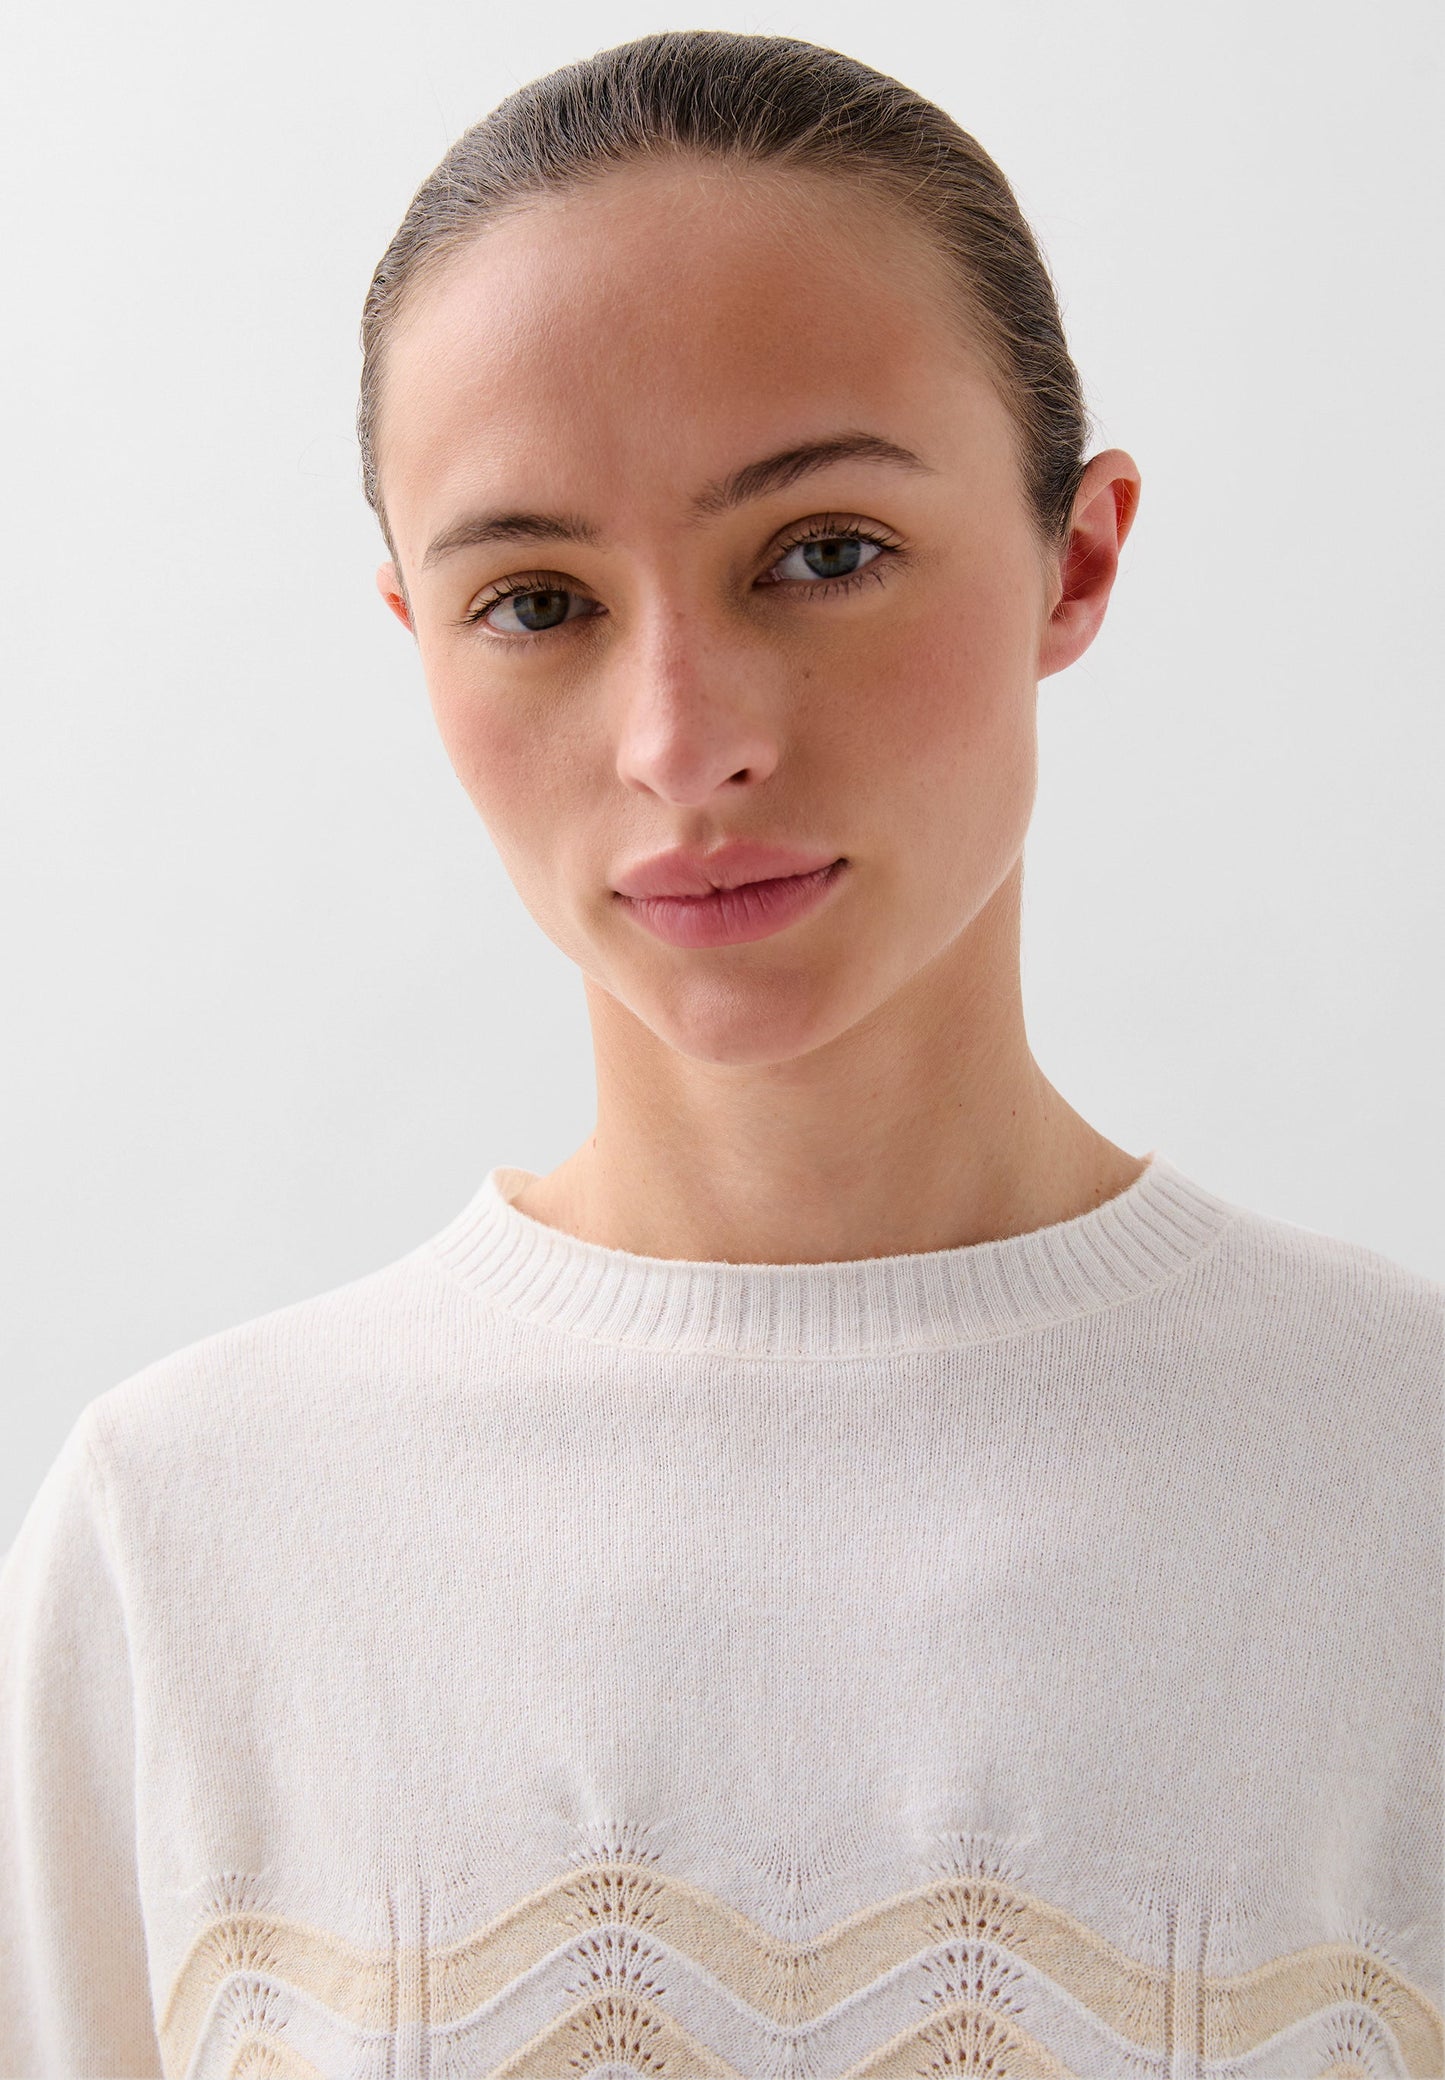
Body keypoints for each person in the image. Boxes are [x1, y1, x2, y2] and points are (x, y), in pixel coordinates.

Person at [1, 31, 1439, 2078]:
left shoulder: (1401, 1487)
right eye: (537, 601)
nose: (686, 744)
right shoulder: (185, 1539)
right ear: (415, 639)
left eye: (823, 552)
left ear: (1078, 555)